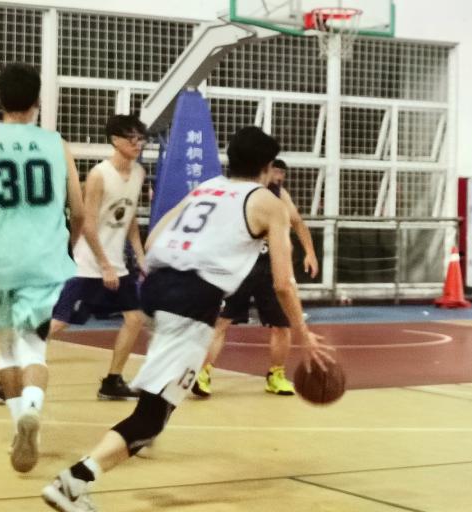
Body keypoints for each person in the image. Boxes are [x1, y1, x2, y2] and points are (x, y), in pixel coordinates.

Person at [41, 126, 333, 511]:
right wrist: (304, 333)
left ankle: (121, 439)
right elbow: (283, 283)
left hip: (156, 289)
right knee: (151, 419)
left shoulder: (207, 187)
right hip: (191, 301)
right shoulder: (268, 202)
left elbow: (154, 239)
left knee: (158, 408)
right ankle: (73, 481)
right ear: (267, 167)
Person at [0, 63, 86, 473]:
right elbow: (79, 209)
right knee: (34, 345)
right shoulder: (57, 143)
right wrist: (67, 245)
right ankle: (33, 407)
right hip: (45, 257)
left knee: (8, 345)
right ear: (37, 101)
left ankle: (20, 425)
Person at [192, 158, 319, 398]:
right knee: (221, 321)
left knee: (281, 324)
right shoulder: (239, 192)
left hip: (270, 266)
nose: (278, 176)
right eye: (274, 171)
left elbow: (298, 222)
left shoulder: (280, 196)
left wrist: (310, 252)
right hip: (240, 264)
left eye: (281, 172)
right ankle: (203, 373)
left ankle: (276, 375)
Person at [49, 114, 147, 400]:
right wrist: (104, 265)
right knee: (59, 322)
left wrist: (140, 256)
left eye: (141, 138)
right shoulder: (99, 175)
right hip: (88, 264)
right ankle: (13, 371)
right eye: (132, 138)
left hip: (117, 265)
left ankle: (112, 381)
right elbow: (88, 225)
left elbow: (130, 218)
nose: (138, 144)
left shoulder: (139, 173)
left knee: (135, 319)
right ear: (115, 140)